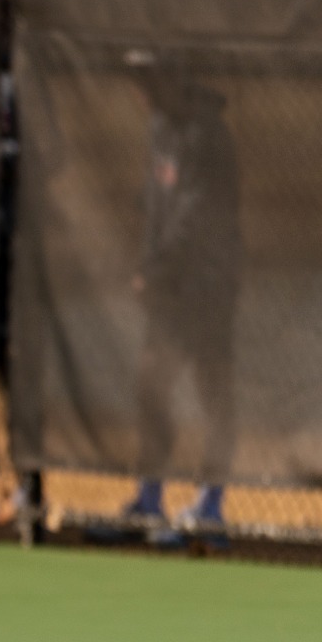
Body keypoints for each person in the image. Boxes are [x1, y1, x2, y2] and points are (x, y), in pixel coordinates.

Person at [121, 52, 240, 542]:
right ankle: (149, 499)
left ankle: (210, 505)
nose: (141, 93)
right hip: (170, 286)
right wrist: (149, 265)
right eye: (136, 82)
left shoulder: (207, 134)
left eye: (148, 81)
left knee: (213, 389)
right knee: (152, 383)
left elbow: (195, 214)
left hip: (208, 283)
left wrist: (155, 267)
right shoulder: (160, 128)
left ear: (174, 78)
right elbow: (158, 204)